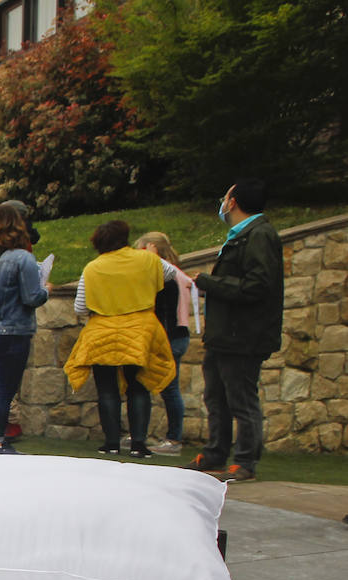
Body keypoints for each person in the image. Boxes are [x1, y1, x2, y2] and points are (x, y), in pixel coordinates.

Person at [184, 179, 283, 483]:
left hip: (243, 335)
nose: (222, 202)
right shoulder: (241, 236)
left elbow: (258, 286)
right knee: (216, 397)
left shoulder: (259, 235)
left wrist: (209, 283)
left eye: (225, 197)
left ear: (233, 202)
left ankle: (245, 460)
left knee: (241, 399)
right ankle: (215, 452)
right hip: (224, 334)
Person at [64, 221, 177, 458]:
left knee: (107, 389)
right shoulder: (147, 260)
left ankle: (111, 443)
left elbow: (80, 306)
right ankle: (138, 444)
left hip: (102, 331)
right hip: (139, 331)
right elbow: (171, 273)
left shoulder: (93, 268)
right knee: (138, 387)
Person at [0, 204, 50, 454]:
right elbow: (31, 297)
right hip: (13, 332)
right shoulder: (23, 258)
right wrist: (47, 289)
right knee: (5, 390)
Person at [134, 231, 196, 454]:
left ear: (151, 248)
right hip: (178, 336)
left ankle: (173, 439)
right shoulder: (177, 273)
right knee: (163, 387)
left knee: (167, 388)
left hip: (169, 338)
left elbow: (162, 310)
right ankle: (156, 436)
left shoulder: (166, 274)